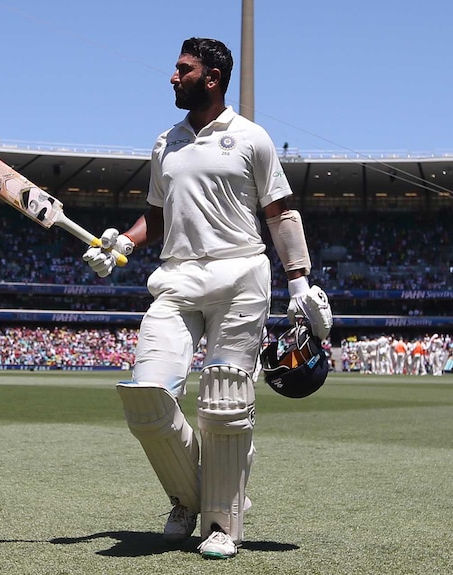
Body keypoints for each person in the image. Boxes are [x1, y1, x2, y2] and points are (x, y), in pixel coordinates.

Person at [82, 37, 332, 559]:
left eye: (183, 69)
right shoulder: (165, 143)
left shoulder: (251, 139)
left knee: (223, 401)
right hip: (176, 279)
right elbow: (158, 213)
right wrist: (124, 242)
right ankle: (190, 497)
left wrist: (301, 282)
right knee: (147, 399)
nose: (173, 77)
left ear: (211, 78)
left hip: (241, 273)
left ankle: (222, 523)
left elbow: (281, 212)